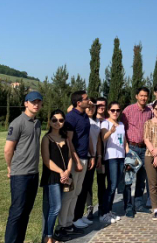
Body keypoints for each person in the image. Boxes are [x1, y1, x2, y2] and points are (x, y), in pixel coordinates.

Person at [4, 91, 43, 243]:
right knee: (17, 212)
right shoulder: (17, 123)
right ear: (25, 103)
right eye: (33, 102)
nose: (36, 104)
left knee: (26, 212)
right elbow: (8, 149)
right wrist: (10, 167)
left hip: (34, 173)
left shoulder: (37, 123)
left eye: (39, 102)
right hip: (20, 174)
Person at [57, 91, 95, 239]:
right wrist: (77, 161)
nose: (89, 101)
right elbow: (69, 142)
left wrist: (91, 156)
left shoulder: (85, 116)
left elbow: (86, 138)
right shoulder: (71, 118)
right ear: (79, 102)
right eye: (86, 99)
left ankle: (69, 223)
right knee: (68, 193)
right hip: (75, 161)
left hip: (85, 158)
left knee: (77, 193)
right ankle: (61, 227)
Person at [120, 86, 153, 217]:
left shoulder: (149, 112)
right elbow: (122, 131)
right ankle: (128, 206)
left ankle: (139, 204)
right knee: (129, 179)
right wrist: (126, 148)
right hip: (131, 148)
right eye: (141, 95)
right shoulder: (128, 110)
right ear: (136, 96)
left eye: (145, 96)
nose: (143, 98)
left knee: (142, 178)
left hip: (144, 148)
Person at [40, 109, 72, 243]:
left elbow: (70, 157)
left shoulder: (65, 138)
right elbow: (46, 160)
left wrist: (68, 172)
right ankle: (48, 237)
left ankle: (49, 236)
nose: (57, 123)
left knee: (56, 207)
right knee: (55, 207)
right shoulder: (46, 139)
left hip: (64, 177)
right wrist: (61, 172)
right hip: (52, 177)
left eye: (61, 120)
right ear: (49, 122)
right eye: (54, 120)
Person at [74, 99, 99, 225]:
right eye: (89, 106)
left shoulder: (94, 121)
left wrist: (95, 155)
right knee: (79, 188)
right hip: (81, 156)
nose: (91, 108)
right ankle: (75, 217)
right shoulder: (80, 118)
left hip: (90, 157)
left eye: (93, 106)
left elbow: (94, 140)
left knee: (85, 187)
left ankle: (79, 215)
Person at [100, 101, 126, 225]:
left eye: (118, 110)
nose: (115, 112)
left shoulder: (121, 124)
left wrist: (128, 153)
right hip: (111, 157)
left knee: (115, 185)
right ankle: (104, 213)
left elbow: (124, 141)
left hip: (121, 157)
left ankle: (109, 210)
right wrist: (110, 131)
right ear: (108, 111)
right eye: (113, 110)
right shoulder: (105, 123)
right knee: (111, 184)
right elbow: (103, 137)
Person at [93, 98, 108, 220]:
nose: (102, 107)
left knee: (106, 183)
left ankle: (105, 208)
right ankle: (96, 209)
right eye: (99, 105)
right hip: (96, 156)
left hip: (106, 156)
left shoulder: (108, 119)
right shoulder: (92, 120)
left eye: (104, 105)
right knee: (99, 183)